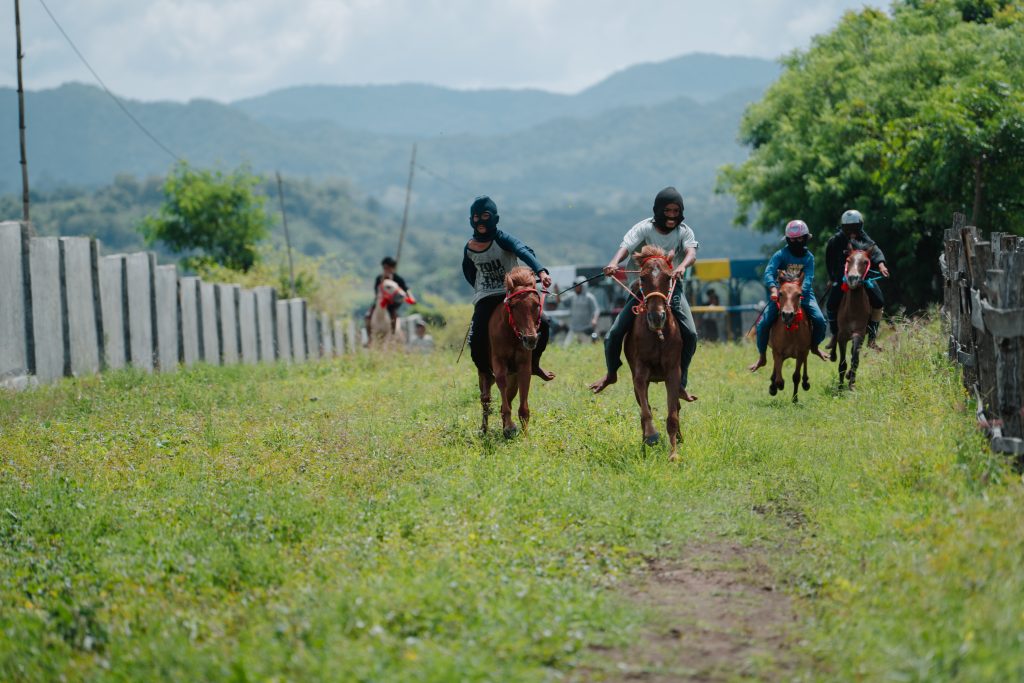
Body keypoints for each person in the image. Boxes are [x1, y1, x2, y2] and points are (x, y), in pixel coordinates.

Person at [588, 187, 699, 401]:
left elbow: (691, 253)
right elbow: (626, 247)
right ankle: (611, 373)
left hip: (671, 288)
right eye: (668, 211)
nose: (672, 216)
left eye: (676, 211)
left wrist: (682, 266)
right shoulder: (644, 228)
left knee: (691, 334)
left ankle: (681, 383)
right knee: (613, 334)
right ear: (658, 210)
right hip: (643, 290)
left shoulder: (684, 231)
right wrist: (613, 263)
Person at [462, 195, 555, 381]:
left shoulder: (503, 239)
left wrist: (541, 272)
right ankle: (485, 374)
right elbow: (468, 272)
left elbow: (523, 251)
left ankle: (534, 364)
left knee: (544, 323)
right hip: (486, 296)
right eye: (476, 217)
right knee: (476, 337)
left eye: (485, 216)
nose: (480, 221)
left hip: (514, 293)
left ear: (494, 218)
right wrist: (480, 289)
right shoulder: (470, 248)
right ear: (471, 219)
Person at [748, 220, 829, 372]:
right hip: (782, 294)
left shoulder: (809, 257)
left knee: (820, 320)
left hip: (803, 294)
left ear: (805, 238)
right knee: (762, 324)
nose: (796, 242)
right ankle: (762, 357)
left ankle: (814, 347)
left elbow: (809, 278)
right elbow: (769, 272)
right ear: (787, 239)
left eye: (800, 238)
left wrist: (800, 292)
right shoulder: (780, 255)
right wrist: (773, 289)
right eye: (792, 239)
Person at [824, 209, 889, 351]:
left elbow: (875, 252)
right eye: (848, 228)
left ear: (860, 226)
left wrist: (881, 265)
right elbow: (829, 260)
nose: (852, 232)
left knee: (879, 301)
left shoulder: (865, 239)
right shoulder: (835, 241)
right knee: (831, 304)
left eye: (855, 228)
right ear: (843, 227)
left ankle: (872, 339)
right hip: (842, 277)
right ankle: (835, 335)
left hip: (863, 277)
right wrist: (832, 278)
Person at [364, 256, 414, 336]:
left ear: (392, 268)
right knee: (367, 316)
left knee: (393, 315)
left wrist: (411, 297)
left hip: (391, 304)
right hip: (380, 302)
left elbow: (405, 289)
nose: (386, 269)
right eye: (385, 268)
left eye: (388, 267)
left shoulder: (397, 279)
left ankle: (392, 334)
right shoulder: (379, 278)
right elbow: (376, 291)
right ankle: (369, 337)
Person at [561, 275, 600, 347]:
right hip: (574, 328)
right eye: (575, 286)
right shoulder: (572, 296)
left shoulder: (590, 297)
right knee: (566, 347)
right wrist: (557, 291)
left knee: (586, 349)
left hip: (585, 329)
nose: (576, 287)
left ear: (583, 286)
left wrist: (594, 319)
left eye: (578, 285)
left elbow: (596, 310)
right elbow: (560, 301)